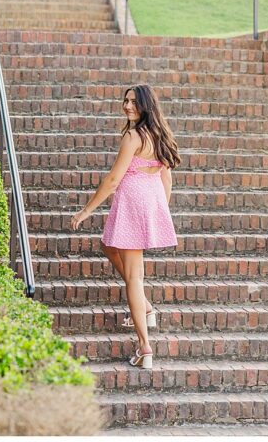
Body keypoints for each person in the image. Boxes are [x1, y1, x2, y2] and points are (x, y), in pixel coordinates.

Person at [70, 84, 180, 369]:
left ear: (146, 105)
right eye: (126, 101)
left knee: (134, 276)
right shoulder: (159, 134)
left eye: (134, 102)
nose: (128, 106)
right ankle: (145, 306)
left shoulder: (133, 136)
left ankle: (145, 346)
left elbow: (113, 180)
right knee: (108, 244)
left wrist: (86, 210)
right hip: (148, 204)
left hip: (133, 206)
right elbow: (167, 180)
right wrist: (159, 212)